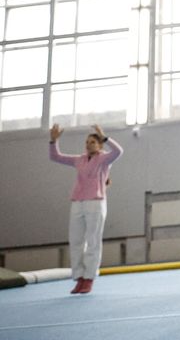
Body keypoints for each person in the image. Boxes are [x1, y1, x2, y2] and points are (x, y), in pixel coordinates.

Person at [48, 123, 123, 295]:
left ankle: (89, 278)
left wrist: (104, 137)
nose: (89, 145)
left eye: (93, 142)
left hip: (95, 202)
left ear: (100, 145)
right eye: (87, 142)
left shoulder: (104, 159)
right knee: (75, 241)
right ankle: (79, 277)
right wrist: (53, 141)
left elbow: (119, 151)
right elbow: (55, 157)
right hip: (78, 202)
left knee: (93, 241)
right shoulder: (79, 159)